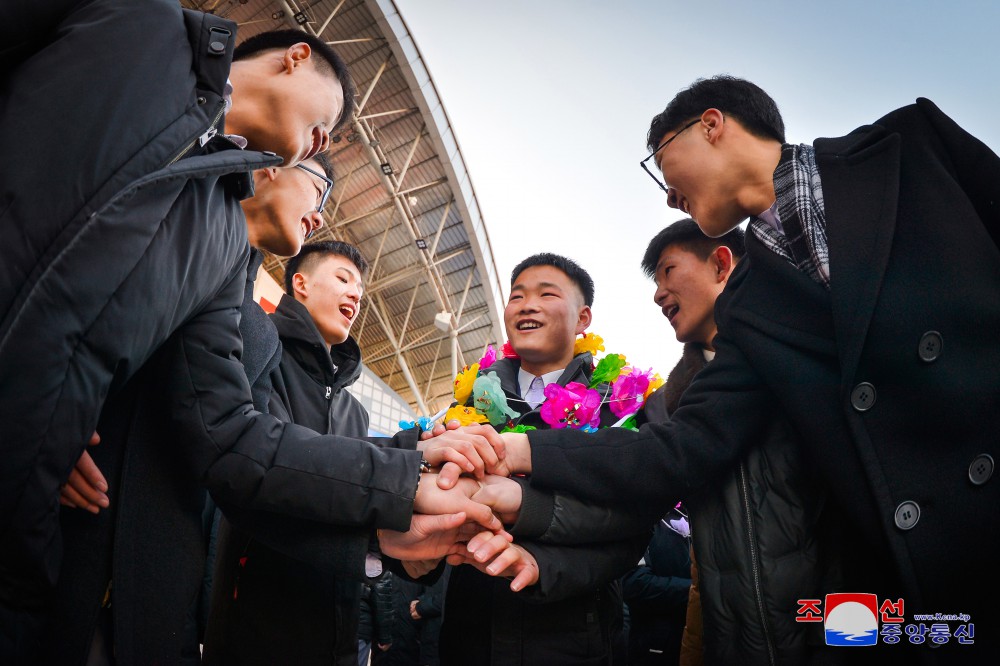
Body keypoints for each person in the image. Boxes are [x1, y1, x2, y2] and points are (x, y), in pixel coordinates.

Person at [1, 6, 505, 661]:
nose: (326, 143)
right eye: (329, 123)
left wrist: (403, 483)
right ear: (296, 55)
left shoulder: (221, 263)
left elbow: (230, 440)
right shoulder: (135, 25)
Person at [480, 76, 999, 663]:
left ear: (711, 124)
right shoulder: (748, 311)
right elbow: (685, 445)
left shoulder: (909, 146)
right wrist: (518, 452)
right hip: (916, 594)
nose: (668, 195)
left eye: (660, 161)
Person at [637, 219, 838, 664]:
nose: (657, 294)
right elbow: (700, 569)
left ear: (722, 264)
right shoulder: (663, 409)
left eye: (668, 271)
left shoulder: (814, 349)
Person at [439, 254, 653, 666]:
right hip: (471, 636)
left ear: (582, 318)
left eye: (546, 294)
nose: (526, 304)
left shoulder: (619, 404)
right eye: (516, 296)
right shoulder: (466, 404)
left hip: (573, 638)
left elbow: (631, 524)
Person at [203, 240, 381, 665]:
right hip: (255, 628)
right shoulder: (260, 352)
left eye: (360, 288)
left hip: (335, 634)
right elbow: (263, 475)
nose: (356, 294)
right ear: (299, 283)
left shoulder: (355, 411)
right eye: (343, 278)